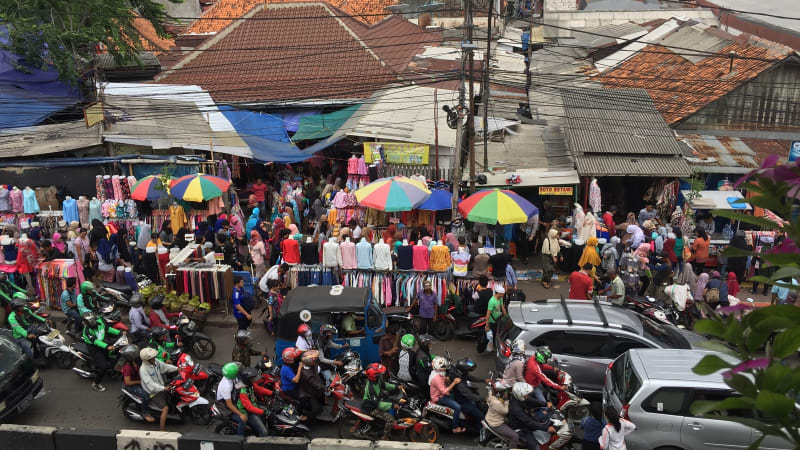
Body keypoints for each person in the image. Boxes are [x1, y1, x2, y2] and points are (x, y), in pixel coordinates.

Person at [139, 347, 178, 431]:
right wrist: (163, 388)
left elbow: (165, 367)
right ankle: (161, 430)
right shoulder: (143, 370)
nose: (154, 358)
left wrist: (178, 368)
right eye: (151, 358)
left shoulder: (155, 362)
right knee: (165, 408)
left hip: (161, 386)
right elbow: (150, 384)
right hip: (153, 393)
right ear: (146, 360)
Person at [508, 382, 556, 450]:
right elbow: (529, 422)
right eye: (526, 395)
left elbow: (530, 399)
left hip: (527, 419)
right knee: (536, 448)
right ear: (520, 395)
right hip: (522, 428)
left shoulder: (519, 397)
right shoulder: (516, 409)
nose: (527, 396)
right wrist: (546, 428)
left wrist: (545, 404)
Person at [82, 311, 121, 391]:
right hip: (94, 347)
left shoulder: (101, 321)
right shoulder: (87, 331)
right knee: (103, 366)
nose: (93, 323)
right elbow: (96, 341)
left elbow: (108, 329)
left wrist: (120, 332)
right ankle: (96, 383)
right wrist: (107, 346)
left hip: (103, 342)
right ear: (86, 323)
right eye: (90, 322)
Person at [362, 362, 400, 440]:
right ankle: (385, 436)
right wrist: (392, 405)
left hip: (378, 400)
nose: (381, 375)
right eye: (379, 374)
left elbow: (385, 385)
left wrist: (396, 387)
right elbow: (377, 405)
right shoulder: (371, 388)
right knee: (390, 419)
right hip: (372, 407)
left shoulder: (378, 379)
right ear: (374, 376)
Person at [119, 344, 155, 423]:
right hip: (131, 386)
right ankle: (145, 413)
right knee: (145, 395)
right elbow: (128, 382)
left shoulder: (137, 362)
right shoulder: (127, 367)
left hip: (141, 381)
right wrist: (140, 382)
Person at [429, 357, 466, 434]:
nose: (445, 368)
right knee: (457, 407)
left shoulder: (435, 372)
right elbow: (444, 391)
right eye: (443, 367)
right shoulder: (437, 378)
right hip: (439, 397)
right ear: (439, 368)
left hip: (440, 393)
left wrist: (445, 379)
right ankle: (455, 427)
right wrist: (454, 382)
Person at [234, 367, 271, 437]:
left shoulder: (249, 385)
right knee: (264, 433)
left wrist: (272, 393)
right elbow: (250, 408)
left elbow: (259, 389)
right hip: (248, 413)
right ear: (248, 380)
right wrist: (263, 412)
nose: (254, 379)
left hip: (254, 405)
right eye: (253, 378)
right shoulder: (243, 392)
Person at [8, 295, 47, 359]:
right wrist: (27, 335)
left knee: (44, 334)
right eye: (21, 306)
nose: (23, 306)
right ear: (16, 308)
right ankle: (34, 360)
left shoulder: (25, 310)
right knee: (30, 349)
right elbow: (18, 329)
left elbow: (34, 316)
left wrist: (44, 320)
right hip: (20, 336)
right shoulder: (11, 317)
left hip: (29, 329)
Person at [216, 362, 248, 435]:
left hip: (232, 398)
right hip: (224, 405)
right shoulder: (226, 386)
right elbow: (229, 405)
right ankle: (239, 437)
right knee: (243, 420)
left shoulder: (229, 376)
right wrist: (241, 415)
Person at [486, 383, 519, 448]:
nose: (507, 394)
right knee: (515, 436)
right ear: (501, 394)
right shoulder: (497, 403)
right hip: (496, 424)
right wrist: (506, 401)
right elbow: (505, 411)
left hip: (491, 418)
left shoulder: (492, 396)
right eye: (506, 393)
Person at [298, 350, 326, 420]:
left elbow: (317, 377)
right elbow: (315, 383)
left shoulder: (313, 366)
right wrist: (326, 388)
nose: (316, 360)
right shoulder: (306, 373)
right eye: (314, 359)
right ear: (310, 361)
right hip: (307, 392)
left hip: (313, 388)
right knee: (316, 410)